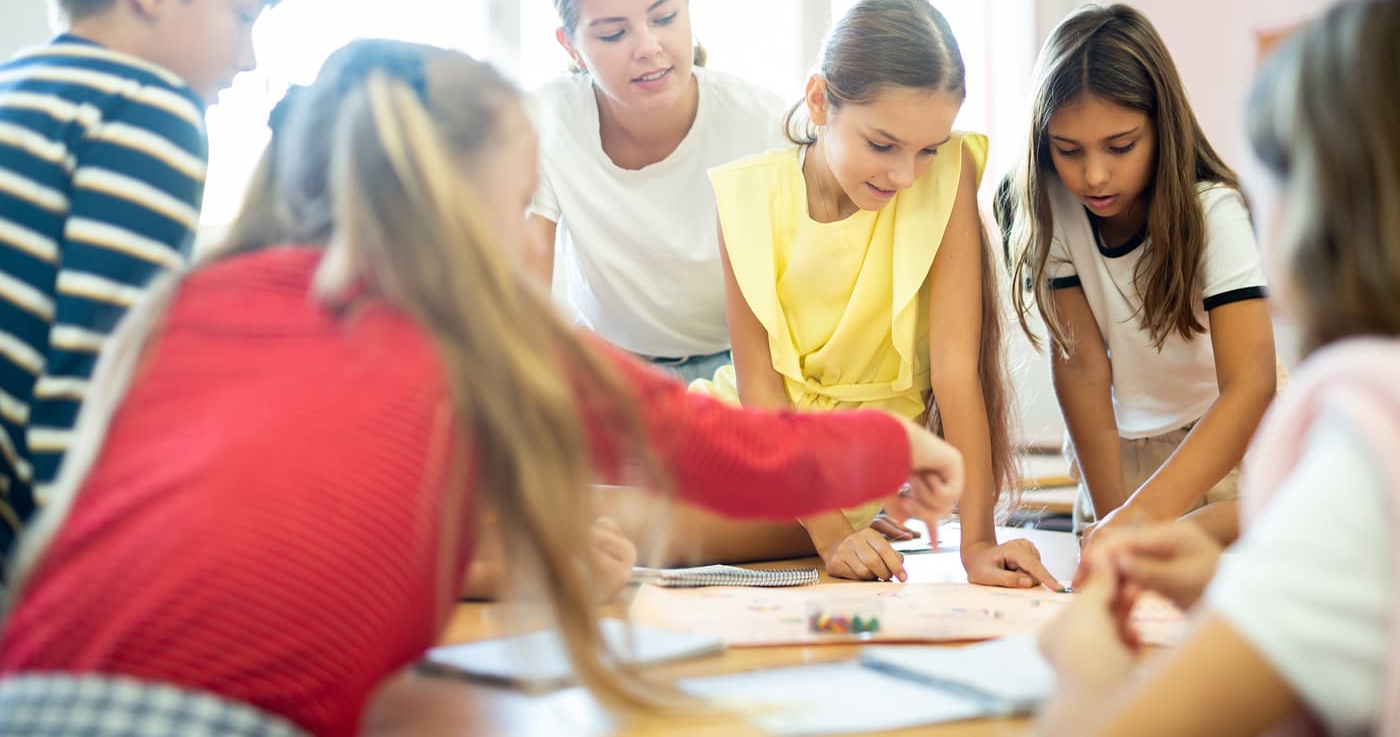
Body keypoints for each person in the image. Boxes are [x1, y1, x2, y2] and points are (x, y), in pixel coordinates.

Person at [0, 39, 964, 737]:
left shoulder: (187, 304)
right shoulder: (474, 329)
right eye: (516, 204)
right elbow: (714, 447)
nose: (523, 235)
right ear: (457, 205)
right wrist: (900, 447)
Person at [1037, 0, 1400, 736]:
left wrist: (1085, 662)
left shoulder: (1369, 436)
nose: (1093, 173)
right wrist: (1223, 585)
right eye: (1070, 151)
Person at [691, 0, 1056, 589]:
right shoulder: (747, 197)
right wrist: (833, 537)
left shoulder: (946, 177)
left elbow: (956, 373)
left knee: (612, 522)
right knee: (554, 476)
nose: (904, 174)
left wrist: (979, 544)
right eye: (882, 145)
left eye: (926, 150)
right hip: (742, 431)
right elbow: (758, 389)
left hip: (831, 482)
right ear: (818, 102)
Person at [0, 0, 287, 564]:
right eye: (243, 15)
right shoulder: (148, 112)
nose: (247, 57)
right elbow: (89, 388)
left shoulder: (19, 87)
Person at [1004, 3, 1277, 544]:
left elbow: (1250, 386)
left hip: (1229, 449)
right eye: (1068, 150)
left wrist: (1139, 520)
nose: (1095, 174)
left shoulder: (1214, 213)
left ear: (1162, 127)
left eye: (1120, 146)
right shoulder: (1050, 208)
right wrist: (1116, 519)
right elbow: (1081, 368)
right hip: (1121, 454)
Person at [526, 0, 786, 384]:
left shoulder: (763, 122)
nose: (649, 47)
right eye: (612, 34)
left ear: (687, 8)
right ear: (572, 46)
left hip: (742, 367)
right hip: (608, 371)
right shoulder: (547, 121)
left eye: (665, 18)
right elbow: (521, 294)